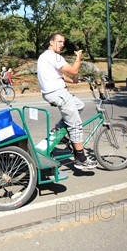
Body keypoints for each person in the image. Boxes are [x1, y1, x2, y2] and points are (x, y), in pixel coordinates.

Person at [37, 33, 96, 170]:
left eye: (63, 42)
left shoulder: (44, 56)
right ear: (51, 42)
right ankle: (80, 158)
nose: (62, 44)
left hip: (51, 93)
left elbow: (59, 74)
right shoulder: (54, 56)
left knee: (79, 105)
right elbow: (74, 70)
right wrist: (79, 58)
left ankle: (59, 129)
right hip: (59, 94)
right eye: (59, 41)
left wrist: (72, 81)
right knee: (75, 123)